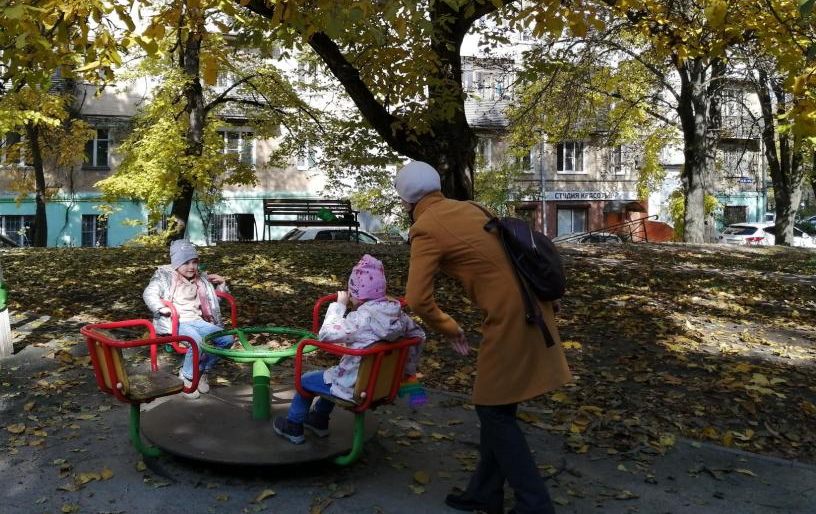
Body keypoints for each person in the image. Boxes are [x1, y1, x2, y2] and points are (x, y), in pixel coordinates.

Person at [395, 161, 572, 514]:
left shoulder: (425, 227)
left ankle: (535, 505)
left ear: (406, 201)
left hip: (512, 318)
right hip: (534, 306)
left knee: (493, 410)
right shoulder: (473, 207)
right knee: (498, 405)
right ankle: (485, 493)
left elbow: (417, 298)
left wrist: (449, 327)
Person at [272, 254, 425, 444]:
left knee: (306, 381)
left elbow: (326, 334)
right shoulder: (398, 316)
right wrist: (406, 372)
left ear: (356, 294)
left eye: (351, 293)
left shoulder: (360, 319)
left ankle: (293, 426)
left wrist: (339, 306)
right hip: (381, 385)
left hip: (354, 387)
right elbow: (418, 336)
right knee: (329, 376)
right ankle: (319, 420)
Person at [142, 239, 235, 399]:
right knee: (196, 342)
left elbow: (212, 303)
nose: (191, 267)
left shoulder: (201, 279)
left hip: (199, 321)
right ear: (176, 263)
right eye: (186, 263)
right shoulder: (164, 276)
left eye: (194, 262)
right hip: (176, 322)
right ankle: (186, 377)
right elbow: (149, 293)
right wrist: (160, 308)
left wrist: (221, 285)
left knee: (227, 339)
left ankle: (201, 370)